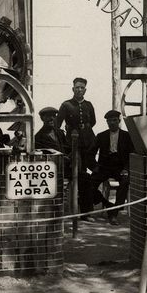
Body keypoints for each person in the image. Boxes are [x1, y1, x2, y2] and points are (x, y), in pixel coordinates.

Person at [55, 77, 97, 219]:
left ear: (85, 90)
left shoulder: (89, 105)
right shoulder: (66, 105)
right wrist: (68, 133)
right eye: (77, 87)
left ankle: (86, 210)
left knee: (88, 176)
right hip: (73, 146)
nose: (79, 90)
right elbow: (57, 125)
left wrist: (85, 131)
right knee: (78, 175)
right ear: (73, 89)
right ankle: (77, 210)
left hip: (88, 144)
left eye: (82, 88)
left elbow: (93, 121)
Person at [88, 110, 133, 225]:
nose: (112, 123)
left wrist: (126, 169)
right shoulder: (101, 136)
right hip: (104, 167)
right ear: (107, 122)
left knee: (125, 182)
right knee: (89, 183)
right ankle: (108, 205)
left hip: (120, 168)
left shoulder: (127, 136)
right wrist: (94, 167)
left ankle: (114, 214)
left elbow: (132, 155)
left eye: (114, 120)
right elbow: (90, 153)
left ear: (119, 121)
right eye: (109, 121)